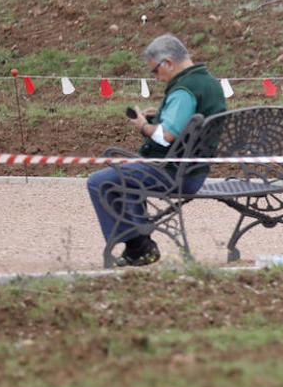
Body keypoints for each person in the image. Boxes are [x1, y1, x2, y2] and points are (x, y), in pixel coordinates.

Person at [86, 34, 226, 266]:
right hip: (195, 169)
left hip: (175, 174)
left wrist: (143, 126)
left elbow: (164, 137)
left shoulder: (183, 90)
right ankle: (138, 244)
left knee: (99, 181)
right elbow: (185, 125)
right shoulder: (209, 83)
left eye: (155, 71)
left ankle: (138, 246)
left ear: (168, 62)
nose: (156, 77)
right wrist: (160, 117)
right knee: (127, 174)